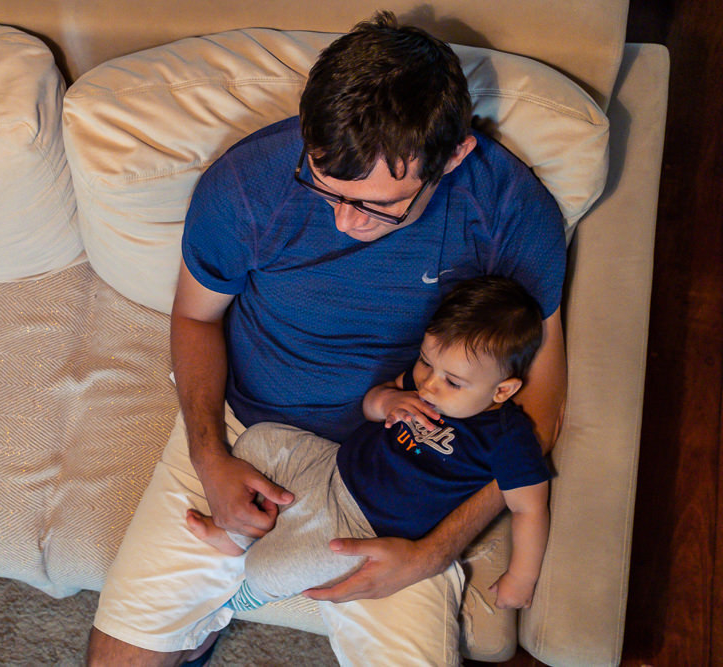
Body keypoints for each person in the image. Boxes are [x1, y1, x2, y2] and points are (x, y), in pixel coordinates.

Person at [88, 10, 567, 666]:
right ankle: (200, 618)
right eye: (324, 185)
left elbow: (539, 400)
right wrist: (209, 457)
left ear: (451, 158)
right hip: (248, 428)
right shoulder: (249, 185)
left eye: (377, 204)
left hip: (409, 471)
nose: (344, 221)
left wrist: (435, 550)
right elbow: (195, 318)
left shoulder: (509, 209)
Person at [187, 275, 551, 614]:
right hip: (332, 465)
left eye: (452, 382)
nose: (428, 386)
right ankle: (234, 535)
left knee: (266, 571)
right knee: (262, 438)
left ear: (502, 389)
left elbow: (529, 509)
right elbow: (371, 405)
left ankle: (243, 600)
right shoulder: (420, 381)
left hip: (364, 527)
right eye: (426, 362)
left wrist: (522, 578)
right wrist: (388, 402)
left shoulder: (508, 437)